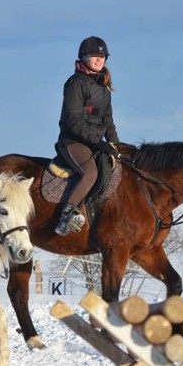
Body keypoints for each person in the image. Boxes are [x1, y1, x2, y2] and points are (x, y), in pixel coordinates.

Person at [54, 35, 120, 236]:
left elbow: (107, 119)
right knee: (90, 172)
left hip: (95, 143)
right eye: (95, 56)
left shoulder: (103, 87)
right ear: (84, 58)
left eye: (103, 57)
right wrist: (98, 143)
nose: (100, 60)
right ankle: (67, 214)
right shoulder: (75, 83)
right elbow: (73, 121)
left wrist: (115, 144)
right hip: (73, 141)